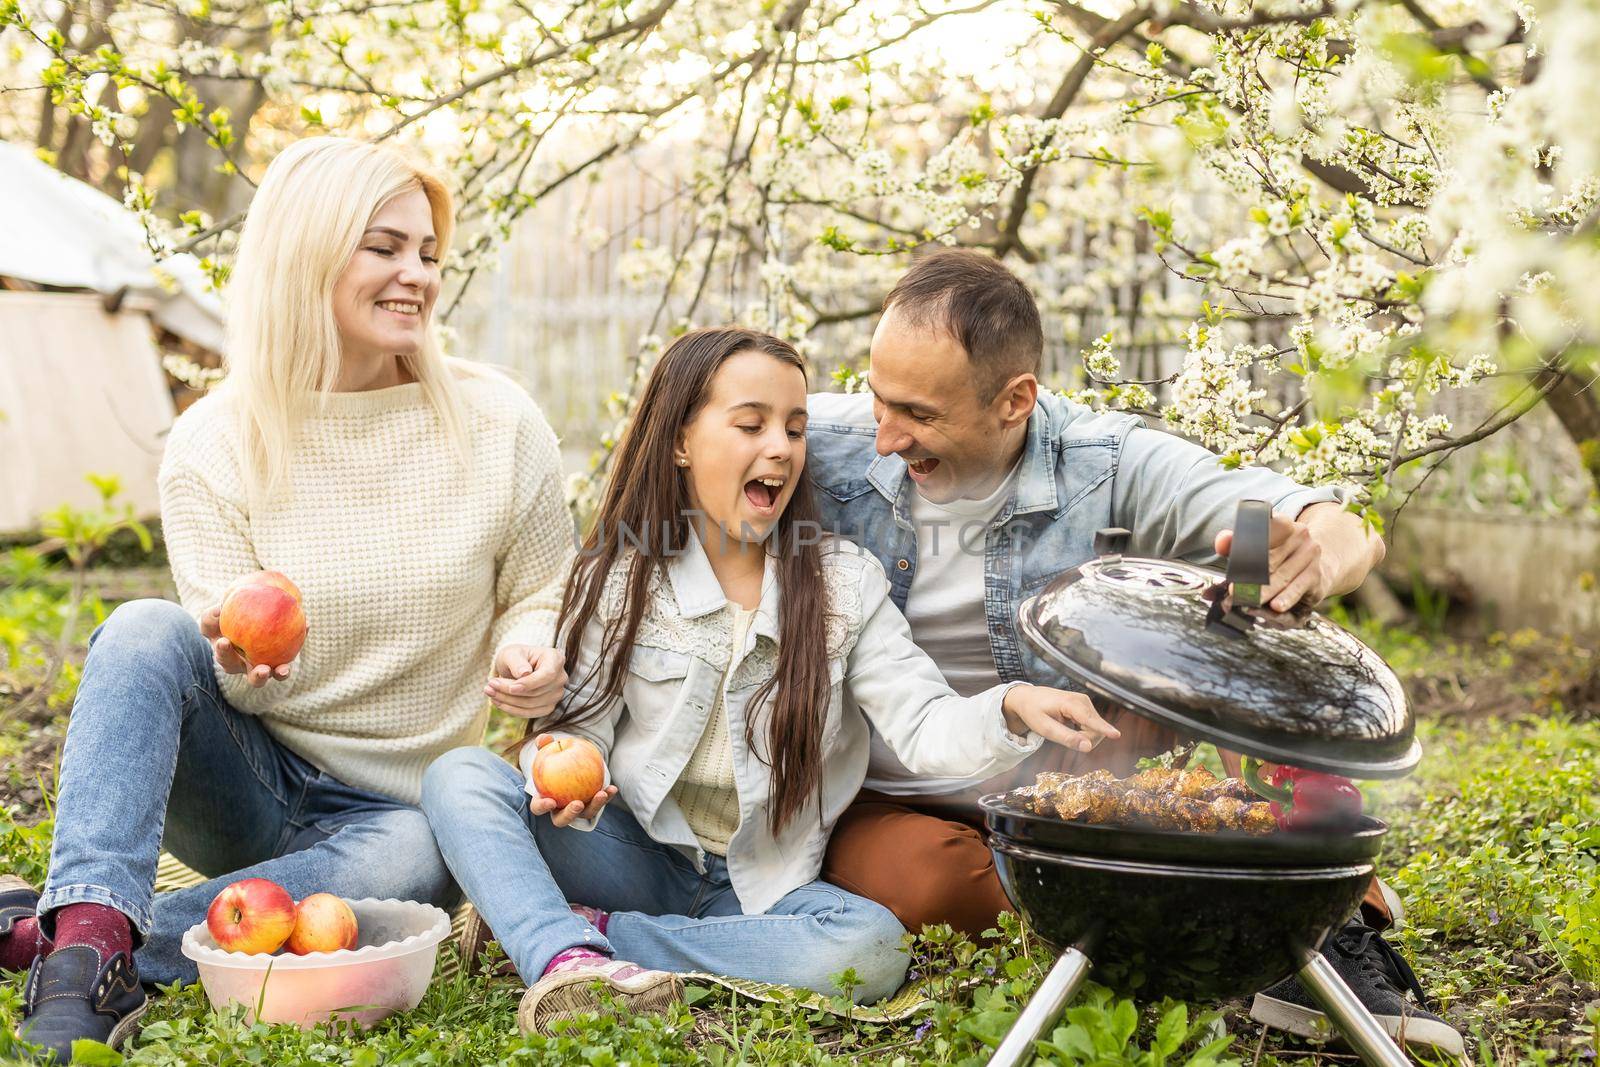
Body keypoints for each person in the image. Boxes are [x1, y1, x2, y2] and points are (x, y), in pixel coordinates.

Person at [807, 249, 1464, 1056]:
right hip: (891, 785)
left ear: (1016, 400)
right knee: (936, 884)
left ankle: (1308, 929)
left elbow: (1337, 520)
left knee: (1235, 625)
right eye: (875, 397)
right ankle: (1219, 902)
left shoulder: (1104, 460)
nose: (883, 434)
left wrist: (1316, 555)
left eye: (915, 412)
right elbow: (689, 457)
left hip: (1073, 760)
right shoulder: (816, 442)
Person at [2, 137, 575, 1061]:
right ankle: (91, 961)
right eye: (384, 247)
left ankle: (71, 938)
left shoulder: (497, 422)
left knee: (425, 862)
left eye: (428, 253)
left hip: (393, 813)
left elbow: (543, 585)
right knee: (144, 628)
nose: (417, 275)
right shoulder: (215, 442)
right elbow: (229, 663)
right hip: (249, 774)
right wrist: (239, 661)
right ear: (308, 252)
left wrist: (532, 644)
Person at [419, 327, 1122, 1036]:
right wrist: (561, 763)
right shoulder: (623, 579)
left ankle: (578, 942)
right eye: (752, 424)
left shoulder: (843, 585)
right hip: (632, 854)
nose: (781, 447)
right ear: (682, 440)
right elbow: (579, 733)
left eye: (795, 427)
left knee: (871, 948)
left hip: (757, 890)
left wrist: (1011, 704)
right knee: (459, 777)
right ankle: (565, 944)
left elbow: (925, 722)